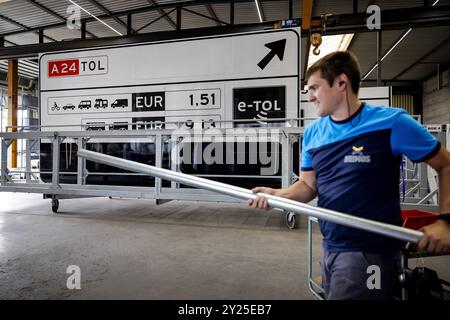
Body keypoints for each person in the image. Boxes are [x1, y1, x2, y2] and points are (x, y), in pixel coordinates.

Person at [248, 51, 450, 300]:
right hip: (331, 247)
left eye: (314, 88)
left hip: (372, 251)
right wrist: (277, 195)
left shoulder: (392, 123)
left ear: (341, 83)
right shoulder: (314, 133)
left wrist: (445, 221)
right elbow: (307, 186)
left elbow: (446, 164)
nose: (309, 96)